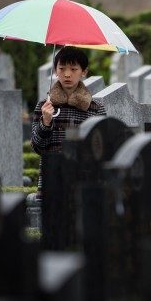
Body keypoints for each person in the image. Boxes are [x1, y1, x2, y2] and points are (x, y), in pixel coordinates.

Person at [30, 46, 106, 197]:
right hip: (51, 178)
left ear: (84, 72)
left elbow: (101, 149)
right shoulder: (44, 106)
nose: (67, 74)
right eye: (62, 68)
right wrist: (45, 122)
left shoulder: (95, 109)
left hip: (84, 180)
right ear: (55, 70)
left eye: (73, 69)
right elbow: (37, 147)